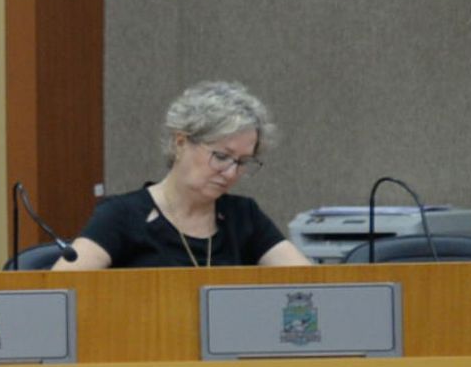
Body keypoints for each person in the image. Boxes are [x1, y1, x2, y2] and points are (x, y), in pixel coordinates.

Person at [64, 81, 310, 271]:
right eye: (222, 156)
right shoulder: (121, 216)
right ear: (180, 143)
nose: (232, 172)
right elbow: (60, 293)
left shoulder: (244, 217)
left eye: (243, 162)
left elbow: (313, 286)